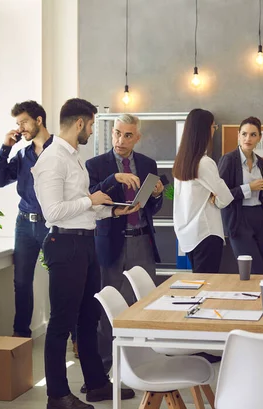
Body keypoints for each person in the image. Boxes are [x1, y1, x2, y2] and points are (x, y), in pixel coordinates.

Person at [32, 98, 136, 409]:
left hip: (84, 241)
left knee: (89, 318)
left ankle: (95, 384)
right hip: (65, 246)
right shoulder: (53, 159)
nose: (92, 130)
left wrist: (114, 211)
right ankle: (58, 396)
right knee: (62, 323)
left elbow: (82, 208)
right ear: (80, 123)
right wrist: (91, 201)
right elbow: (53, 211)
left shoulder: (74, 156)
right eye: (91, 125)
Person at [84, 113, 163, 387]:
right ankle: (108, 370)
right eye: (117, 133)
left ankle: (142, 362)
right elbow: (89, 198)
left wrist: (156, 195)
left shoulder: (147, 164)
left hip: (142, 239)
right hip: (110, 242)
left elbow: (155, 209)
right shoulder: (96, 164)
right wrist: (113, 179)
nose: (120, 139)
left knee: (143, 304)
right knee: (108, 306)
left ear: (137, 137)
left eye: (128, 135)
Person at [0, 100, 53, 338]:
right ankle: (21, 336)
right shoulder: (22, 155)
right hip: (25, 224)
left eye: (24, 122)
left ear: (39, 120)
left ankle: (73, 336)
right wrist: (5, 148)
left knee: (61, 281)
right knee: (22, 283)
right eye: (18, 124)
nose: (20, 128)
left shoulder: (59, 149)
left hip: (52, 224)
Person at [173, 108, 233, 273]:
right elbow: (226, 197)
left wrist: (215, 195)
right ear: (205, 130)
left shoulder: (182, 162)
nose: (214, 130)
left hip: (189, 234)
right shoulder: (205, 163)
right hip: (206, 233)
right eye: (213, 127)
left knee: (199, 283)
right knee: (208, 285)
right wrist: (214, 197)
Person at [218, 116, 263, 275]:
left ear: (259, 138)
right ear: (238, 135)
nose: (248, 138)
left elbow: (258, 196)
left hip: (259, 217)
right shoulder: (228, 160)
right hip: (239, 219)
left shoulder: (259, 161)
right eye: (244, 134)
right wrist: (249, 187)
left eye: (253, 135)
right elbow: (221, 195)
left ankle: (258, 299)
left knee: (259, 265)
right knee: (254, 270)